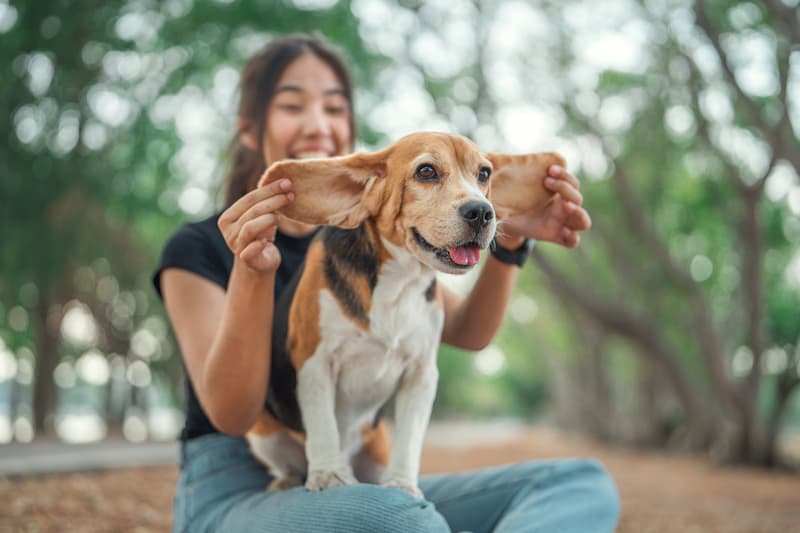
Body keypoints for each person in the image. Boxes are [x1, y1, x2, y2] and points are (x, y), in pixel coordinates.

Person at [153, 33, 619, 533]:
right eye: (293, 105)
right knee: (398, 519)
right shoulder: (196, 246)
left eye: (335, 108)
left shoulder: (390, 244)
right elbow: (232, 415)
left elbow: (468, 333)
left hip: (365, 467)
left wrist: (508, 238)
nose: (318, 123)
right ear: (249, 128)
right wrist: (251, 270)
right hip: (234, 485)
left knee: (578, 482)